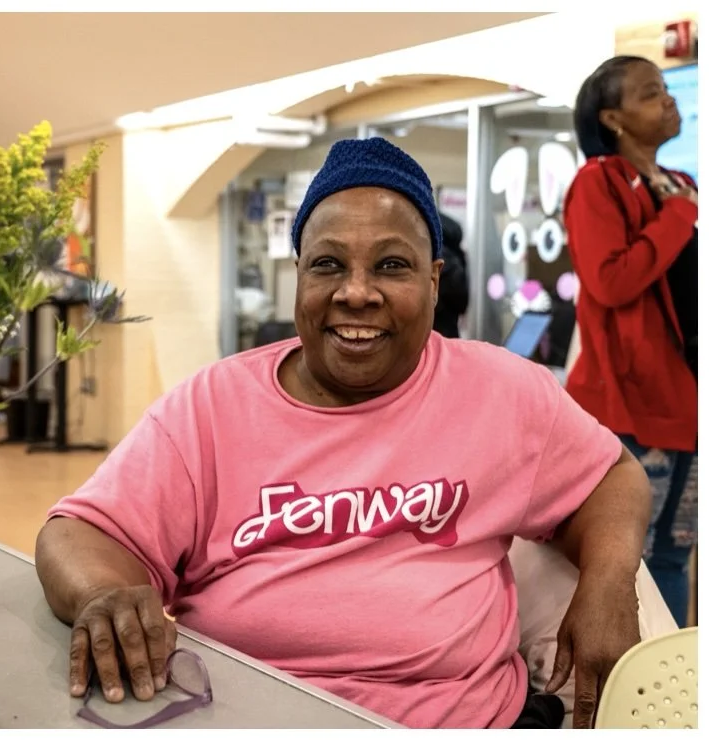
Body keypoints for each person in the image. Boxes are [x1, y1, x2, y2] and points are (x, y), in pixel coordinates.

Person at [35, 138, 652, 728]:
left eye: (391, 266)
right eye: (329, 264)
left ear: (434, 281)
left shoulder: (501, 391)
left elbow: (611, 476)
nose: (357, 293)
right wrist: (102, 592)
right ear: (299, 274)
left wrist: (608, 580)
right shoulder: (210, 408)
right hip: (241, 720)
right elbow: (81, 531)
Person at [564, 55, 697, 623]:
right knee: (624, 563)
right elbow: (610, 280)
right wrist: (677, 218)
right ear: (613, 118)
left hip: (684, 403)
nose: (668, 100)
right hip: (627, 409)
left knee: (673, 554)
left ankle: (669, 696)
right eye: (650, 93)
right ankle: (623, 695)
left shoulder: (681, 185)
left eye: (667, 89)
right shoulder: (598, 182)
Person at [434, 213, 469, 338]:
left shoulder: (441, 257)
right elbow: (462, 303)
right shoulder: (455, 258)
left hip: (438, 330)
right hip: (447, 332)